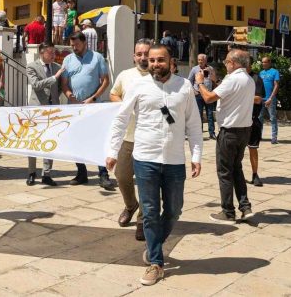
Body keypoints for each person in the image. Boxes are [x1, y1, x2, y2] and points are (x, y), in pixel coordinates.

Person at [106, 43, 202, 286]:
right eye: (152, 60)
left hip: (174, 160)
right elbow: (121, 119)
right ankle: (156, 263)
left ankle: (153, 246)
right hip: (145, 158)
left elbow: (193, 123)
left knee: (174, 210)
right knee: (149, 212)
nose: (155, 64)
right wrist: (112, 151)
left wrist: (196, 155)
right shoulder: (138, 86)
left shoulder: (184, 86)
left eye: (160, 60)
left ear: (171, 62)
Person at [195, 49, 256, 223]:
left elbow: (209, 98)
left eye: (227, 61)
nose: (225, 64)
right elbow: (229, 93)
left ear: (234, 63)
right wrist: (216, 81)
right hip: (244, 130)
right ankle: (245, 206)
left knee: (225, 172)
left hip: (229, 132)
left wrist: (201, 83)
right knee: (236, 169)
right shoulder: (248, 79)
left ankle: (228, 211)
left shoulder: (233, 79)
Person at [60, 31, 116, 190]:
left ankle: (103, 175)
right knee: (75, 140)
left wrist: (94, 98)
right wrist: (69, 94)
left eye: (77, 45)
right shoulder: (68, 59)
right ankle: (81, 172)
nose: (74, 48)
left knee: (98, 140)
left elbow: (105, 81)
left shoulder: (97, 57)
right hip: (75, 107)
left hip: (94, 106)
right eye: (72, 45)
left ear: (85, 43)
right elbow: (64, 83)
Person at [110, 38, 152, 241]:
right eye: (139, 54)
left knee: (146, 182)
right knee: (122, 176)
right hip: (128, 137)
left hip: (150, 140)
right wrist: (125, 106)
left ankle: (142, 220)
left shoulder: (158, 76)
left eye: (147, 54)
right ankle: (130, 205)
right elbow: (113, 94)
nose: (143, 58)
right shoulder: (125, 75)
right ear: (134, 56)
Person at [25, 43, 63, 186]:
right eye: (50, 53)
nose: (53, 55)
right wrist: (54, 78)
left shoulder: (57, 67)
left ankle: (47, 173)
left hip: (52, 110)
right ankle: (31, 172)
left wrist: (54, 99)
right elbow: (36, 85)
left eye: (54, 52)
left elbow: (59, 87)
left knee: (50, 140)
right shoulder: (31, 66)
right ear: (42, 53)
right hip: (36, 110)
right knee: (33, 141)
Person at [188, 54, 218, 140]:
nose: (200, 61)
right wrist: (194, 91)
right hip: (199, 95)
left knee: (210, 114)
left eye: (201, 60)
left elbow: (214, 80)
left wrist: (213, 90)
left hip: (209, 94)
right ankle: (199, 133)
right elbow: (189, 81)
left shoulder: (210, 68)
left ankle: (212, 133)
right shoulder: (194, 69)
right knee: (199, 114)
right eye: (199, 60)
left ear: (205, 60)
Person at [248, 66, 266, 187]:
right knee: (235, 150)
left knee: (253, 148)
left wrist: (240, 96)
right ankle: (236, 174)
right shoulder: (234, 77)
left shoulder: (256, 79)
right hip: (237, 120)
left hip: (252, 119)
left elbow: (258, 99)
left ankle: (255, 174)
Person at [259, 56, 281, 145]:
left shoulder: (275, 72)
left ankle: (274, 138)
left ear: (269, 63)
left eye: (265, 62)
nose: (263, 64)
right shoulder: (261, 73)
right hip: (261, 99)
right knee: (259, 118)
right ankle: (259, 136)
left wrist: (271, 98)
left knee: (272, 118)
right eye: (262, 62)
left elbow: (276, 85)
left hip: (270, 99)